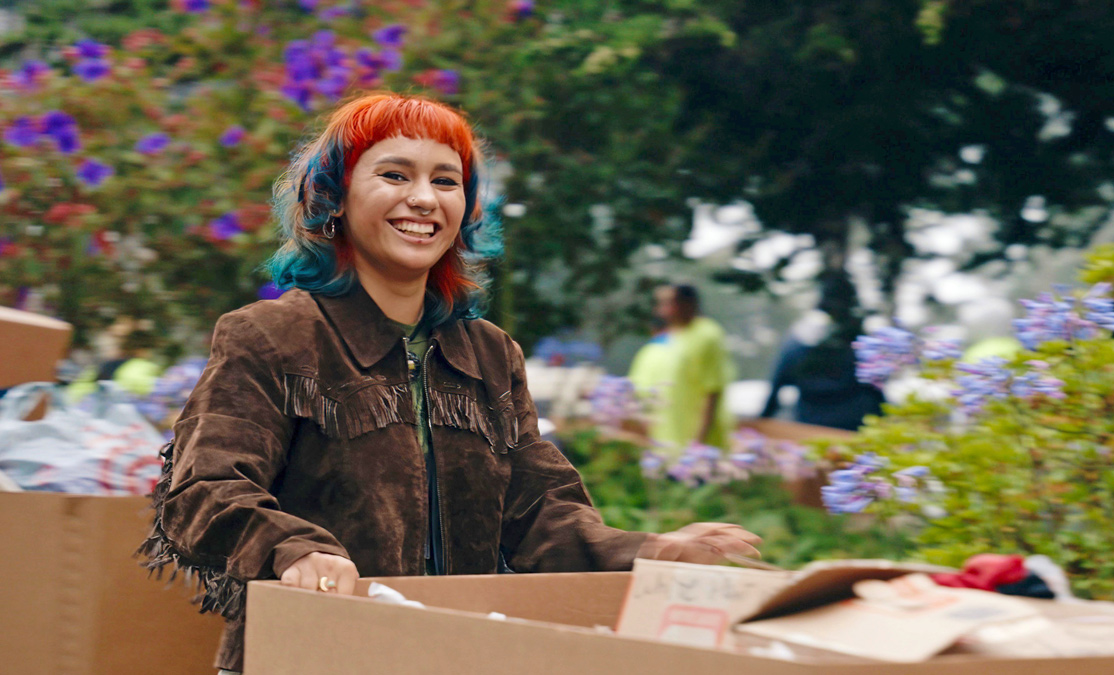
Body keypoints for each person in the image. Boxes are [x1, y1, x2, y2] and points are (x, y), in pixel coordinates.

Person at [136, 93, 760, 674]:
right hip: (310, 653)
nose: (424, 199)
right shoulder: (271, 336)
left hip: (451, 652)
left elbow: (542, 514)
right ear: (333, 198)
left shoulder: (491, 355)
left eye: (445, 180)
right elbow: (203, 489)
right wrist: (293, 549)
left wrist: (654, 552)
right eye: (394, 175)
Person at [628, 284, 736, 452]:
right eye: (659, 303)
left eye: (667, 303)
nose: (660, 309)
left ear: (688, 304)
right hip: (665, 445)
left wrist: (697, 445)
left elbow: (712, 390)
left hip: (699, 448)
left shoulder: (707, 334)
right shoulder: (667, 340)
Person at [760, 310, 884, 431]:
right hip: (853, 423)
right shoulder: (855, 350)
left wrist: (762, 420)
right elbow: (875, 389)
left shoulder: (794, 351)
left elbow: (776, 389)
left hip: (810, 424)